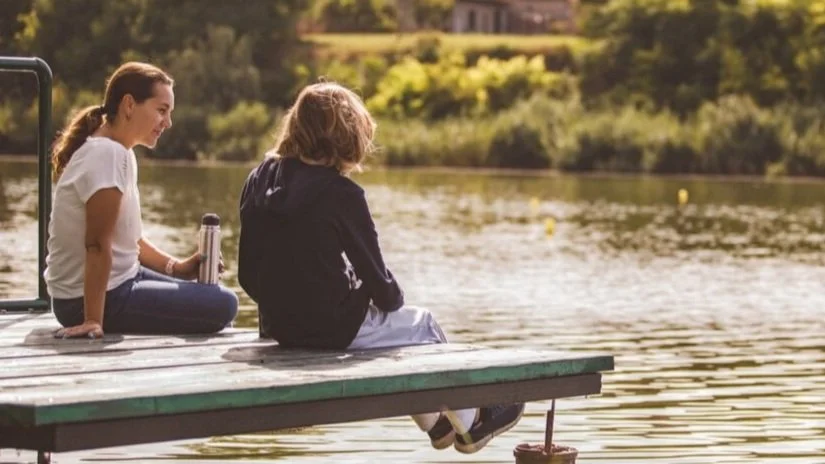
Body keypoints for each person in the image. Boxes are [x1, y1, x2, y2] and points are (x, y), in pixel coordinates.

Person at [237, 82, 523, 454]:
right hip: (332, 329)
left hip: (278, 328)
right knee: (422, 325)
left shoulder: (258, 179)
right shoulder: (341, 194)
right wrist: (378, 291)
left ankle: (437, 425)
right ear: (347, 135)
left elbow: (247, 276)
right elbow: (385, 293)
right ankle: (471, 424)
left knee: (397, 335)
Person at [46, 62, 238, 339]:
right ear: (129, 105)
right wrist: (92, 320)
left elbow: (128, 241)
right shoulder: (107, 155)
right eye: (161, 110)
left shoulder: (120, 152)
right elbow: (96, 244)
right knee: (224, 304)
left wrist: (178, 268)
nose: (168, 123)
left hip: (121, 282)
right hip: (86, 301)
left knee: (212, 296)